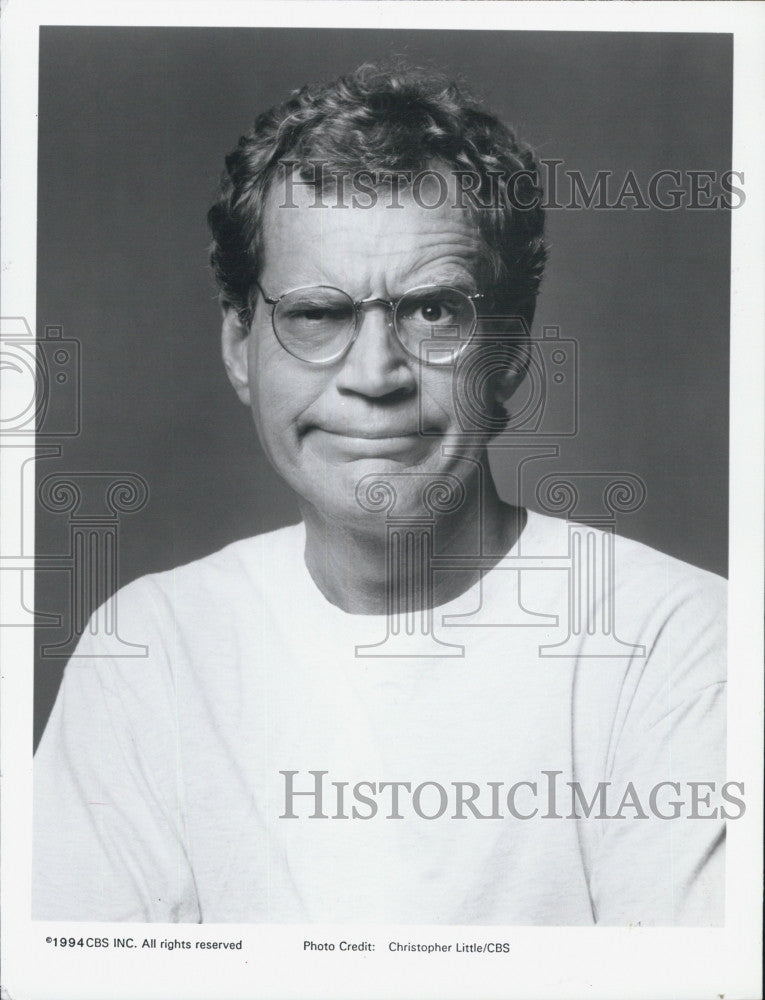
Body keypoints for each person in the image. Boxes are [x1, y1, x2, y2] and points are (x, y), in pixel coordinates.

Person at [33, 64, 727, 925]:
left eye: (432, 311)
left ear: (508, 348)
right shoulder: (145, 652)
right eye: (316, 313)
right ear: (240, 347)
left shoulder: (676, 645)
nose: (374, 375)